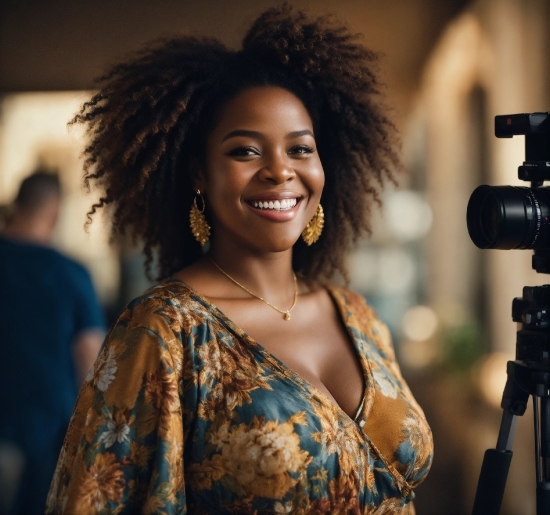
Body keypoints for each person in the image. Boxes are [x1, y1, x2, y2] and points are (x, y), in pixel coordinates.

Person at [46, 5, 433, 514]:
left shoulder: (357, 314)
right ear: (199, 174)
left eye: (300, 149)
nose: (279, 171)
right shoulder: (165, 331)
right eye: (246, 151)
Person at [0, 170, 106, 514]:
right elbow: (90, 360)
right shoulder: (71, 274)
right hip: (48, 430)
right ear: (55, 212)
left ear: (17, 204)